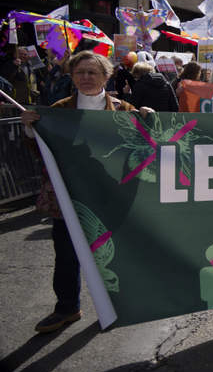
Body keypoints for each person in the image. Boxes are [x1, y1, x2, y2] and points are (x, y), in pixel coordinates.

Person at [20, 50, 152, 333]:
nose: (86, 78)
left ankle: (118, 306)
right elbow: (40, 150)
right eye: (80, 72)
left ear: (106, 76)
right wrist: (32, 129)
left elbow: (142, 149)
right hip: (68, 198)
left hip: (109, 197)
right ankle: (67, 308)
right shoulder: (58, 110)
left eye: (93, 72)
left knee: (113, 254)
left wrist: (150, 119)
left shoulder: (124, 110)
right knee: (66, 255)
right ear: (72, 76)